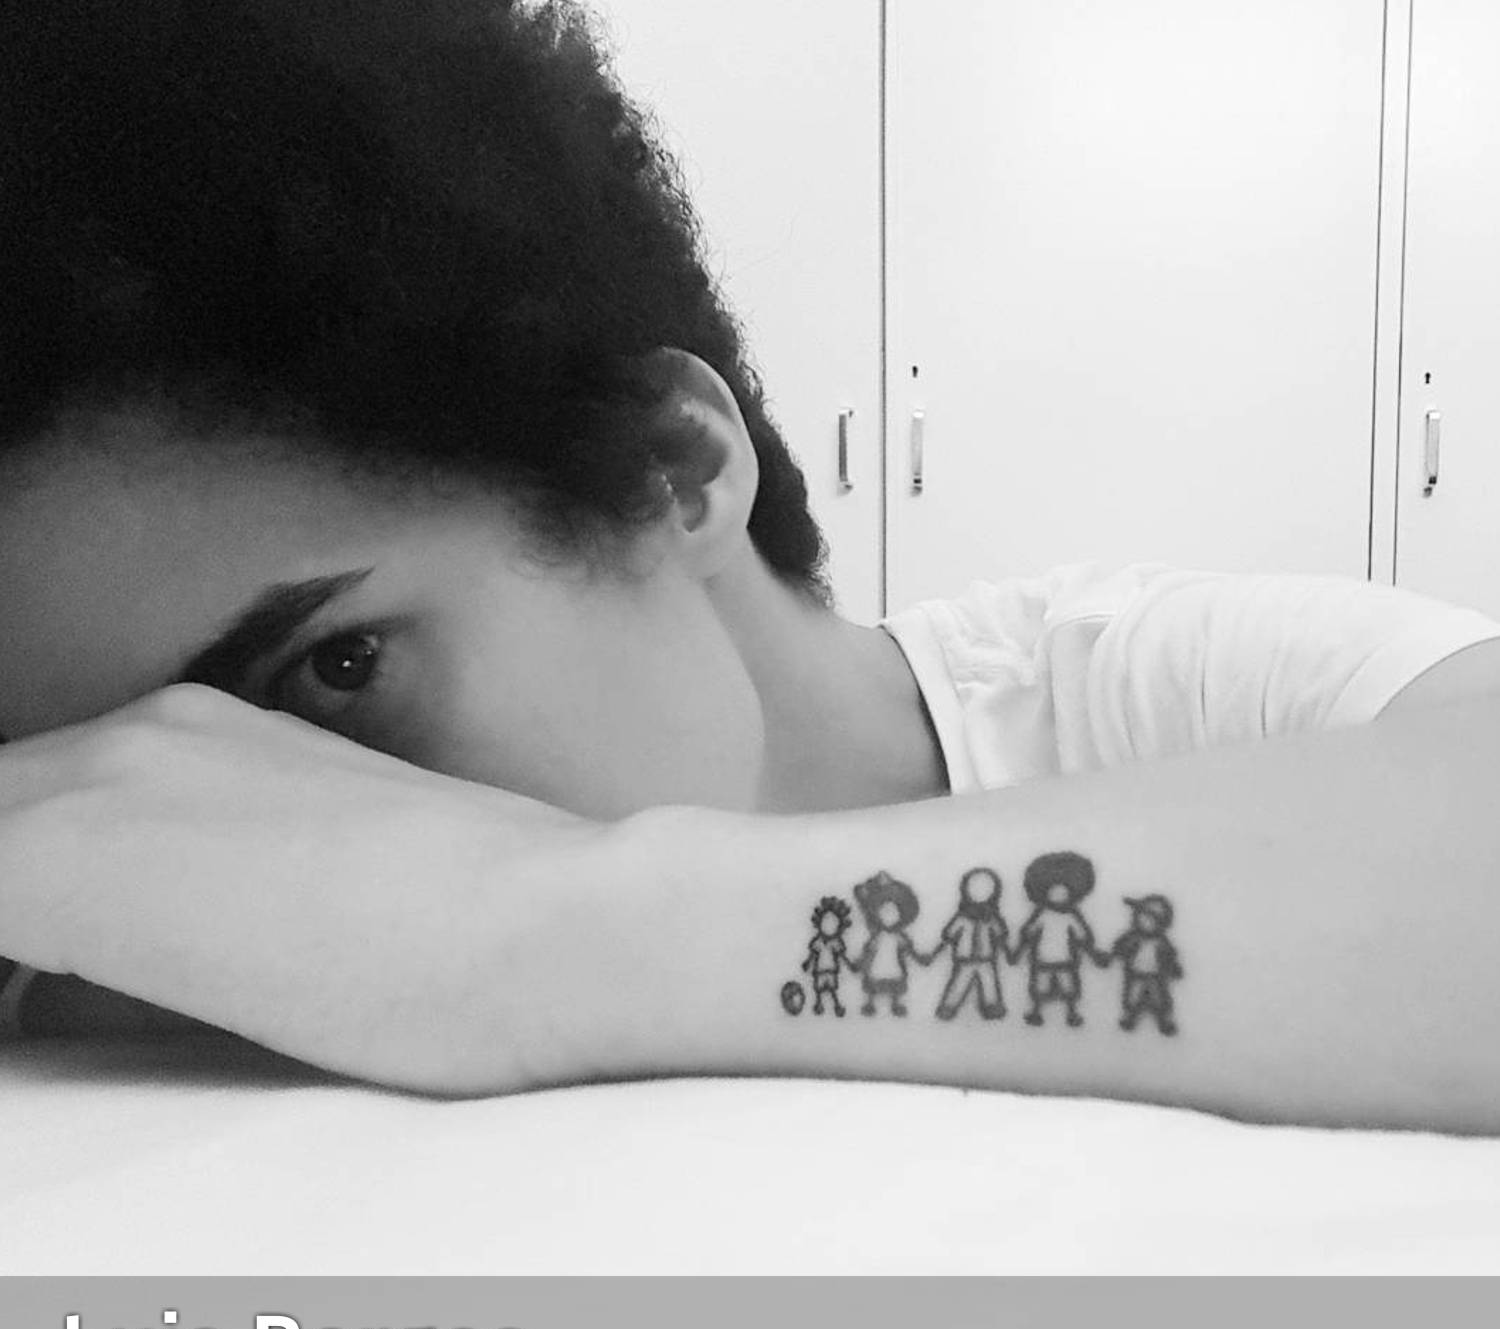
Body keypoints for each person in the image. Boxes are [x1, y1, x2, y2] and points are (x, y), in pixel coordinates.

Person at [4, 0, 1500, 1132]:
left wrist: (517, 926)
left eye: (336, 673)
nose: (231, 828)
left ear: (671, 469)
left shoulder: (1163, 697)